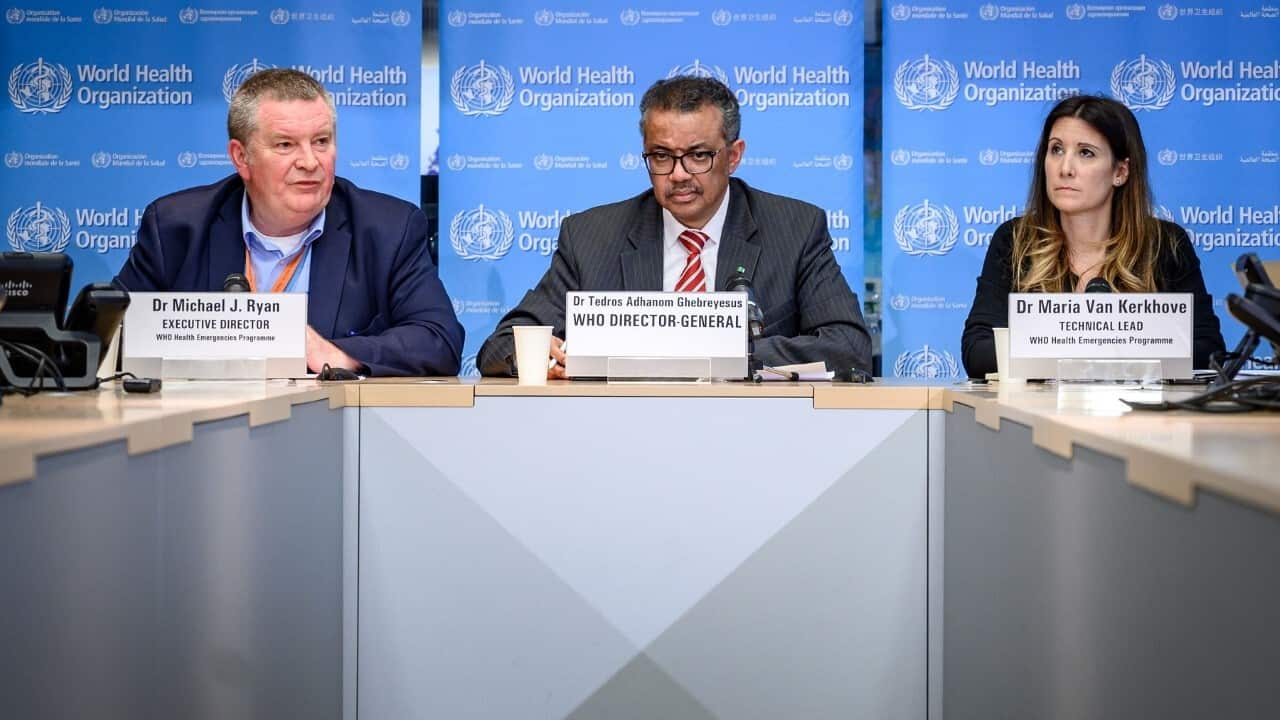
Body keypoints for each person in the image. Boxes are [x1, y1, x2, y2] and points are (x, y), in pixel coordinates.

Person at [477, 75, 870, 378]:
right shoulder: (591, 236)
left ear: (733, 156)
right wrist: (544, 357)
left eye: (698, 155)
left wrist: (717, 356)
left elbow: (849, 347)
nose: (679, 174)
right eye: (662, 156)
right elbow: (499, 347)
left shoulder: (795, 229)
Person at [115, 69, 463, 377]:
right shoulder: (177, 228)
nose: (310, 161)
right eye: (285, 145)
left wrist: (333, 353)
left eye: (321, 142)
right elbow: (113, 336)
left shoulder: (388, 229)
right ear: (241, 157)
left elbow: (439, 340)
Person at [961, 94, 1224, 378]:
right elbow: (978, 352)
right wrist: (1103, 346)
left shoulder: (1164, 244)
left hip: (1138, 418)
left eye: (1086, 153)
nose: (1065, 169)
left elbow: (1209, 353)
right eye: (1056, 150)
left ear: (1120, 172)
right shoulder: (1015, 241)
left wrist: (1071, 347)